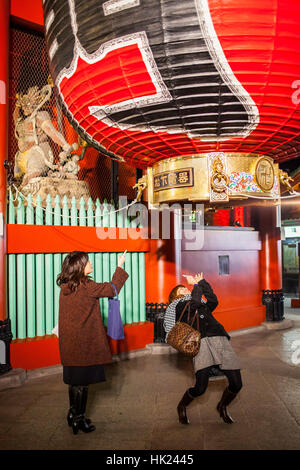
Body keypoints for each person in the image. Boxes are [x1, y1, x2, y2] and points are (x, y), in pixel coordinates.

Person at [56, 250, 128, 435]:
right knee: (83, 384)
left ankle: (72, 414)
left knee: (74, 382)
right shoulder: (87, 286)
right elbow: (113, 288)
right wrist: (120, 266)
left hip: (70, 345)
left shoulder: (66, 286)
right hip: (84, 346)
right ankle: (79, 421)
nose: (90, 264)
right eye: (87, 262)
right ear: (80, 267)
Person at [164, 273, 242, 425]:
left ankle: (223, 406)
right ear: (175, 297)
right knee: (200, 388)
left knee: (237, 383)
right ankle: (182, 405)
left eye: (185, 289)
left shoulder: (199, 301)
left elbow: (213, 300)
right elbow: (192, 303)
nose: (185, 290)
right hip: (201, 344)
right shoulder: (178, 306)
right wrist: (195, 286)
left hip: (219, 338)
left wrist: (201, 282)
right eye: (181, 291)